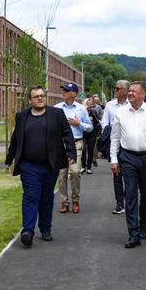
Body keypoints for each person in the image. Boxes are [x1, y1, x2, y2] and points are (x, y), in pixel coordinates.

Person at [5, 86, 76, 248]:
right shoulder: (22, 117)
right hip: (28, 166)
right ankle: (28, 231)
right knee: (30, 196)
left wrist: (71, 152)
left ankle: (45, 228)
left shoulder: (56, 114)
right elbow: (16, 139)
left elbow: (67, 134)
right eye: (36, 96)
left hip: (50, 165)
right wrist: (9, 158)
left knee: (46, 197)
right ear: (30, 100)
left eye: (42, 96)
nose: (39, 98)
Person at [110, 81, 146, 248]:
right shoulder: (121, 112)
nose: (130, 93)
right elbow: (115, 138)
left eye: (134, 91)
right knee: (131, 194)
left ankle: (143, 224)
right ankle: (133, 234)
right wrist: (114, 159)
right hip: (127, 157)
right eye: (130, 91)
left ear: (142, 94)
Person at [54, 83, 93, 214]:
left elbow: (90, 127)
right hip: (60, 144)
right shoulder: (57, 108)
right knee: (62, 174)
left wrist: (79, 123)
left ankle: (75, 199)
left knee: (75, 172)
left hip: (76, 144)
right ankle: (64, 202)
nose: (63, 92)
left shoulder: (81, 109)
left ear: (74, 94)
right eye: (63, 90)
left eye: (66, 90)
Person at [100, 80, 130, 214]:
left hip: (129, 144)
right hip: (115, 143)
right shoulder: (110, 105)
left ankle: (129, 200)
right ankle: (119, 203)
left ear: (126, 91)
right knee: (116, 173)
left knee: (129, 174)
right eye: (115, 88)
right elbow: (104, 122)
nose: (115, 90)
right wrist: (108, 131)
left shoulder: (132, 104)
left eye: (118, 88)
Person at [81, 98, 101, 174]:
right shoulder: (82, 113)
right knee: (83, 150)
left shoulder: (94, 112)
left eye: (92, 104)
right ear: (86, 105)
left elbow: (98, 122)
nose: (92, 105)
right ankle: (83, 167)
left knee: (90, 150)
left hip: (92, 134)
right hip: (83, 134)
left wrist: (98, 134)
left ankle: (89, 167)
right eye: (90, 104)